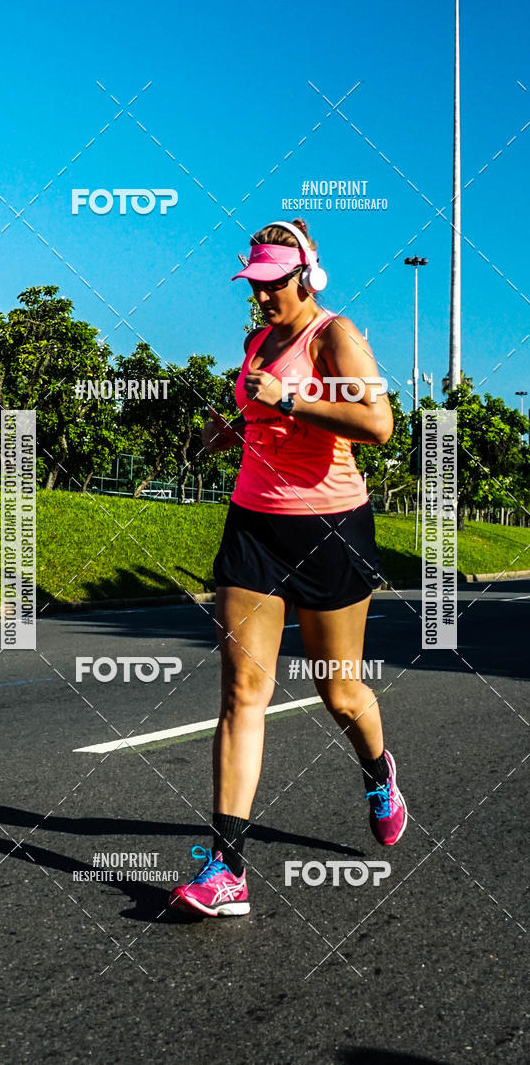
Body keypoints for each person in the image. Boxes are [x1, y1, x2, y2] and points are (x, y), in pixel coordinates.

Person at [168, 219, 407, 918]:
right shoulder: (254, 344)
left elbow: (380, 424)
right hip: (254, 525)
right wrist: (229, 430)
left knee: (339, 691)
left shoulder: (335, 335)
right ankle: (227, 867)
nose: (264, 296)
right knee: (245, 690)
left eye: (274, 283)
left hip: (331, 527)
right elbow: (257, 413)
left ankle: (377, 772)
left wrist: (291, 400)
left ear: (306, 276)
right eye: (256, 284)